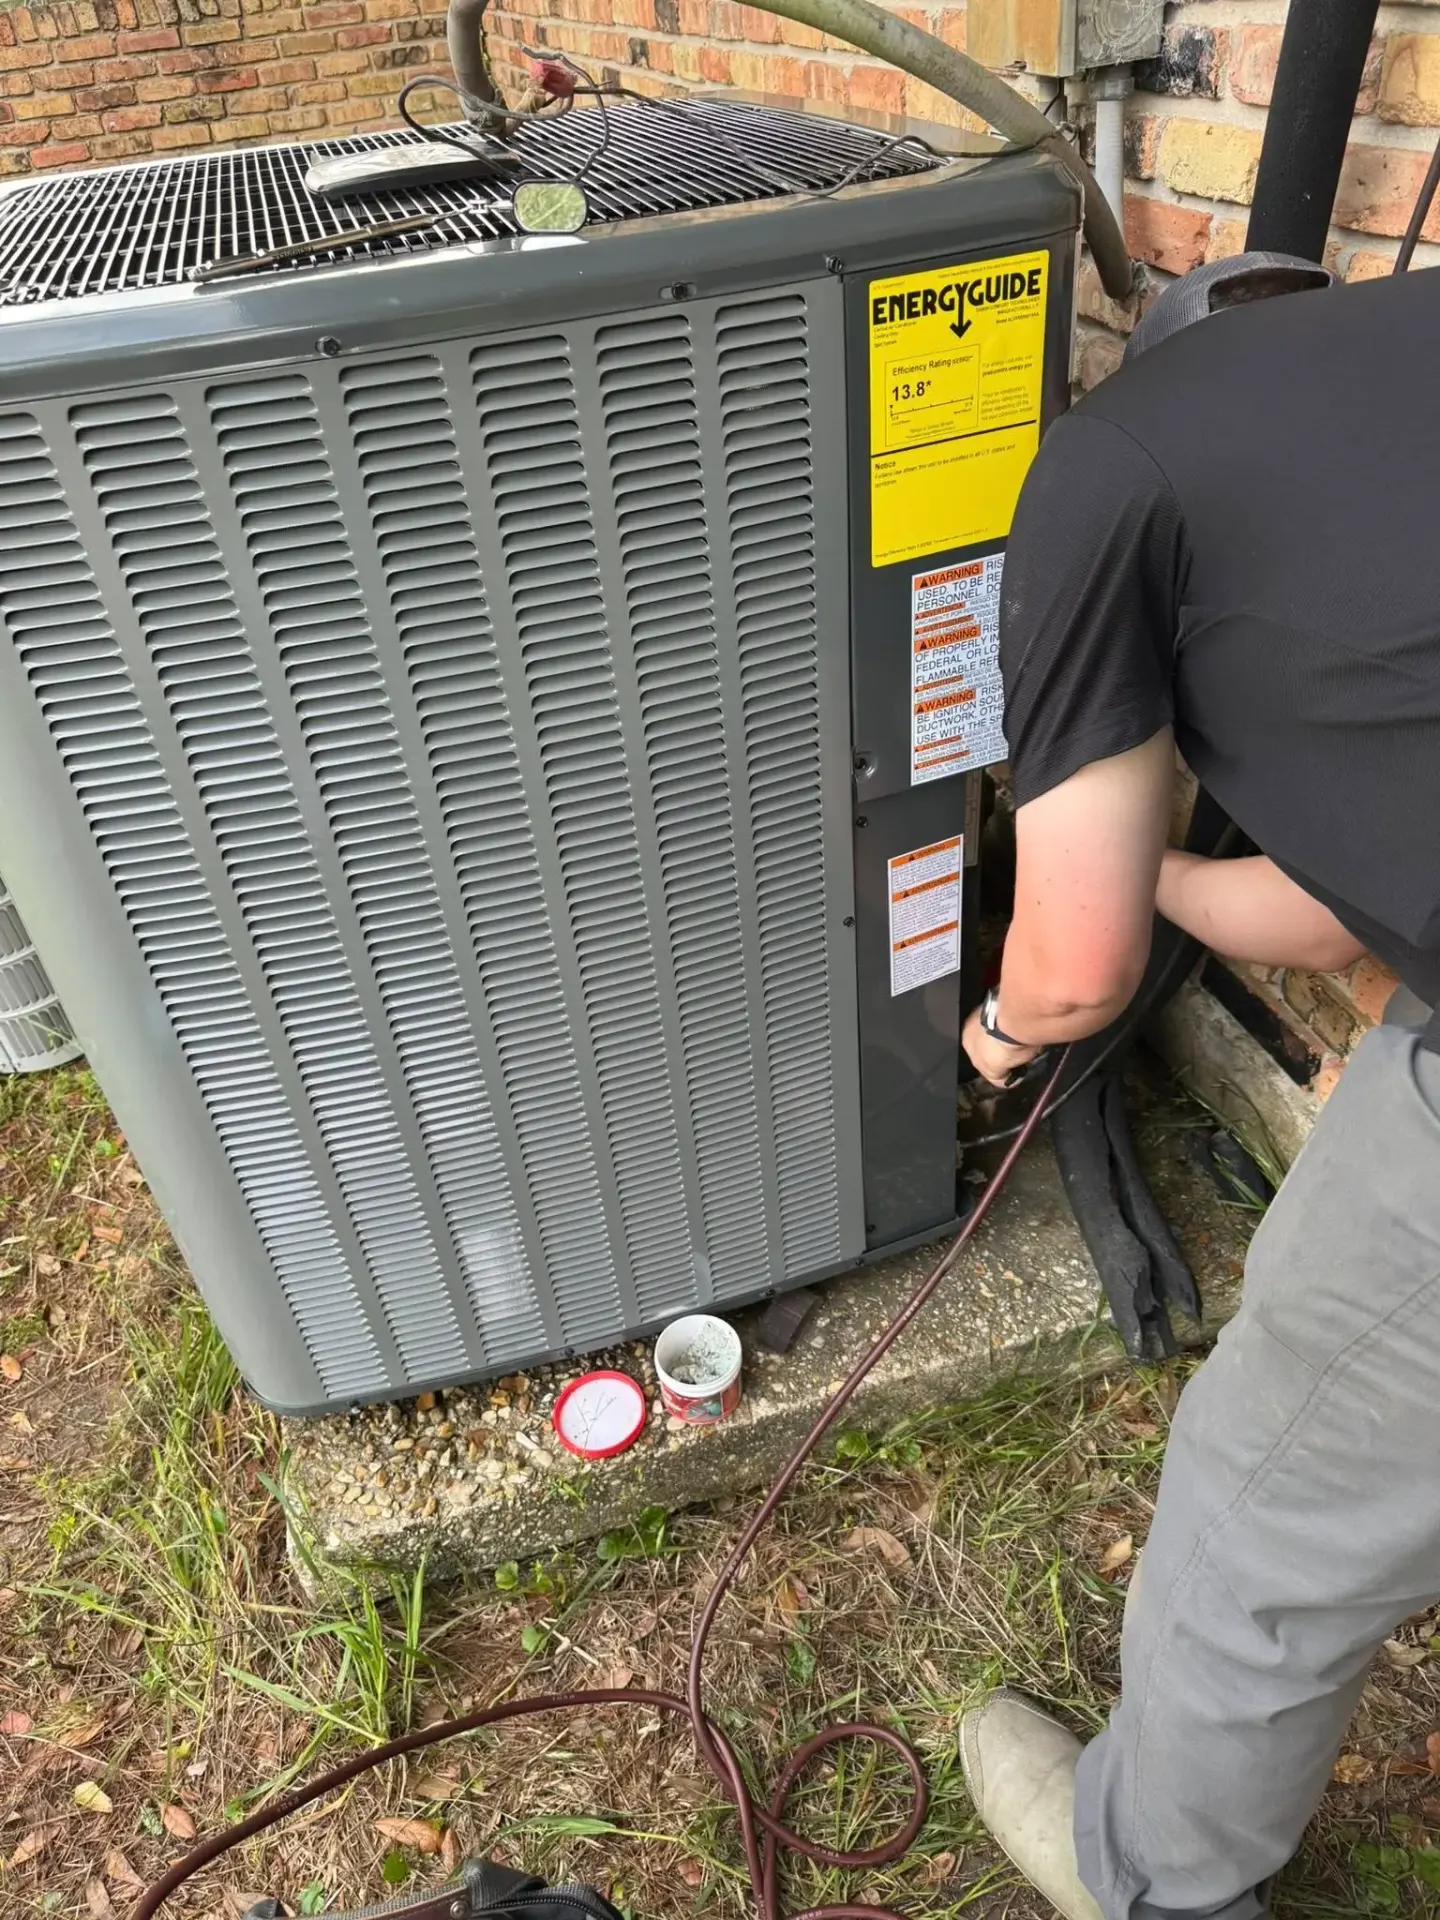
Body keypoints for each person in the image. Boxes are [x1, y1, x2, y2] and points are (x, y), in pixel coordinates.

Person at [955, 250, 1440, 1920]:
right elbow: (1318, 899)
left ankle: (1147, 1874)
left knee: (1276, 1485)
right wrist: (1159, 878)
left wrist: (1009, 1026)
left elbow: (1073, 965)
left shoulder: (1106, 468)